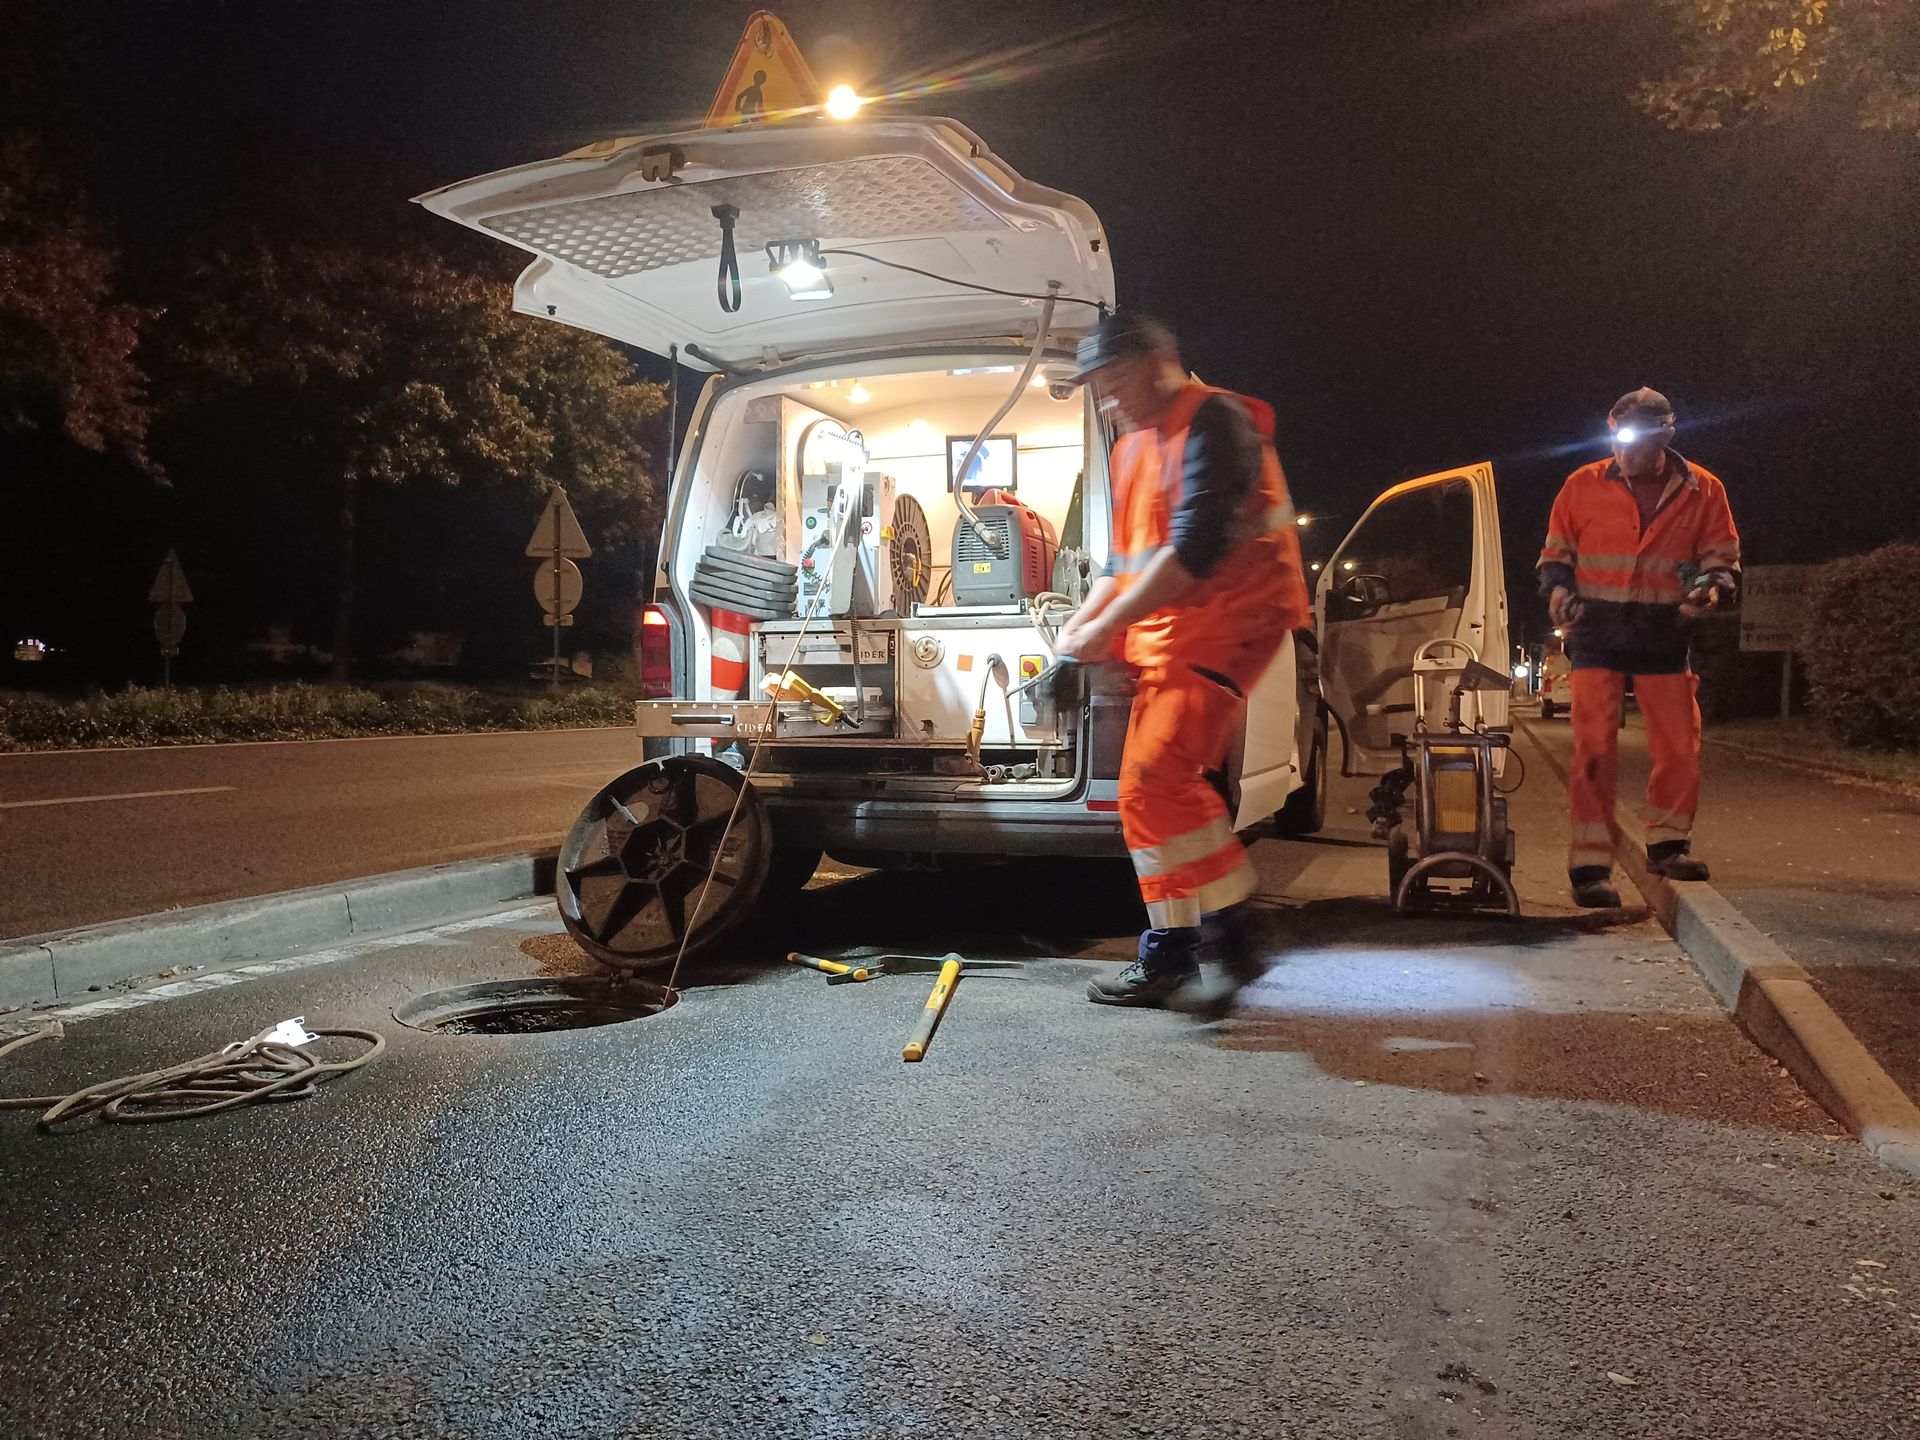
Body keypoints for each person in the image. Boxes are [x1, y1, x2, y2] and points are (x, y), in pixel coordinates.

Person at [1057, 313, 1311, 1016]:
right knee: (1140, 800)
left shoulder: (1217, 419)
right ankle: (1169, 954)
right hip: (1172, 634)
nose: (1110, 400)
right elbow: (1122, 564)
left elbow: (1197, 550)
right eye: (1099, 390)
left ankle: (1236, 937)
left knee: (1161, 776)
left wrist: (1106, 625)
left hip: (1233, 619)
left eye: (1115, 380)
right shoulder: (1131, 449)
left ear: (1160, 359)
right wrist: (1078, 630)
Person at [1537, 387, 1740, 908]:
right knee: (1593, 750)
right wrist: (1559, 590)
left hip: (1663, 631)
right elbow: (1556, 554)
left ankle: (1668, 844)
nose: (1628, 454)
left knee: (1678, 746)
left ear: (1667, 435)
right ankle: (1589, 867)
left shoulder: (1704, 490)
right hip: (1596, 631)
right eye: (1619, 440)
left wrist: (1709, 590)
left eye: (1642, 441)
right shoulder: (1581, 484)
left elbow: (1721, 560)